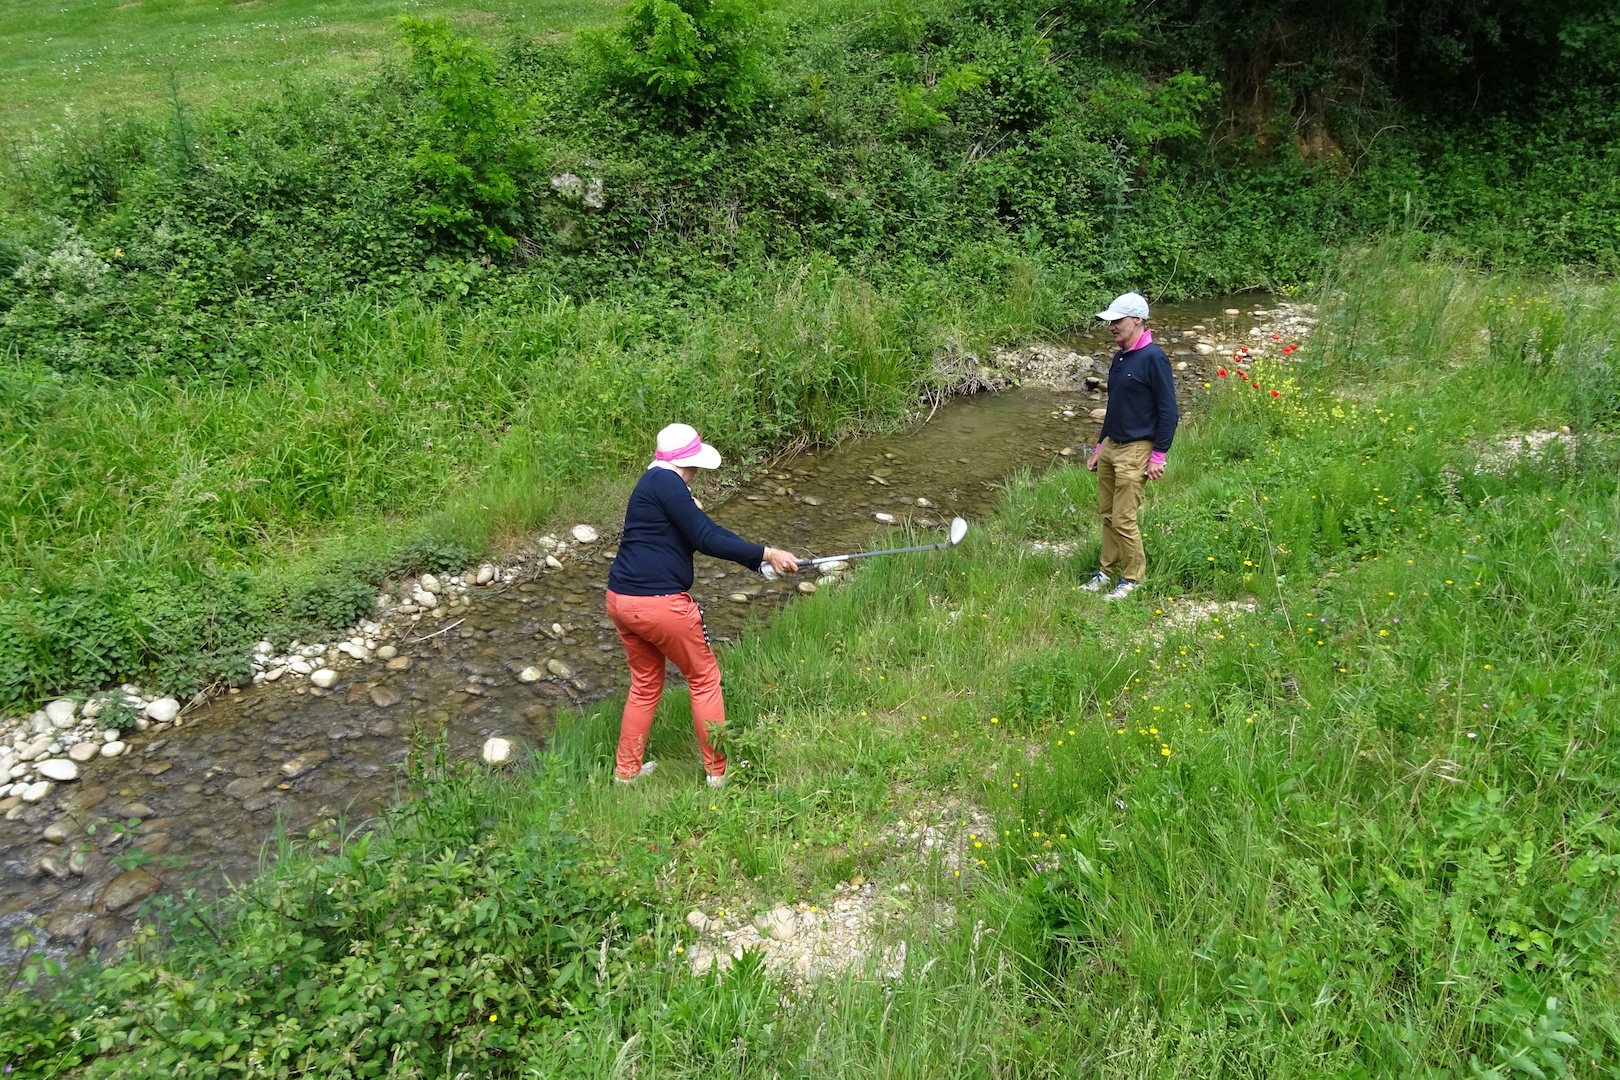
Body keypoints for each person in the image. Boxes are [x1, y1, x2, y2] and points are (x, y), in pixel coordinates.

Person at [604, 423, 800, 787]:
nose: (697, 472)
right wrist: (768, 552)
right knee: (704, 679)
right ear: (686, 463)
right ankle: (717, 773)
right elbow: (707, 537)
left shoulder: (651, 485)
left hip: (621, 600)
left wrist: (756, 562)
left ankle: (626, 773)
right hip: (659, 604)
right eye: (695, 465)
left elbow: (695, 532)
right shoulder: (668, 485)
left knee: (645, 685)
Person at [1080, 291, 1179, 601]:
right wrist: (1099, 448)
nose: (1111, 326)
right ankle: (1106, 572)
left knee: (1124, 517)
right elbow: (1116, 406)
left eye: (1117, 320)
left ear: (1137, 320)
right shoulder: (1120, 356)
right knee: (1107, 514)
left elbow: (1169, 412)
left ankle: (1133, 579)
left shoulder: (1154, 358)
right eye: (1109, 321)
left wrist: (1158, 455)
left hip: (1137, 449)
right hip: (1111, 445)